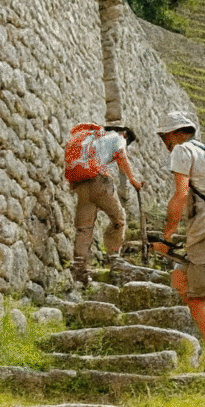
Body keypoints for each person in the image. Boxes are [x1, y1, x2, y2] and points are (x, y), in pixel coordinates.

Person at [151, 110, 205, 373]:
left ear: (177, 134)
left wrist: (167, 236)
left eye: (165, 135)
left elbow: (180, 195)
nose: (164, 141)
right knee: (180, 279)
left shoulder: (182, 151)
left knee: (197, 298)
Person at [64, 122, 144, 285]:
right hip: (100, 183)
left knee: (84, 228)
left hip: (82, 185)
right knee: (119, 220)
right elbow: (121, 156)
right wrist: (133, 179)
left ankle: (79, 270)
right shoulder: (118, 137)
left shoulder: (92, 137)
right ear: (125, 135)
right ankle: (114, 259)